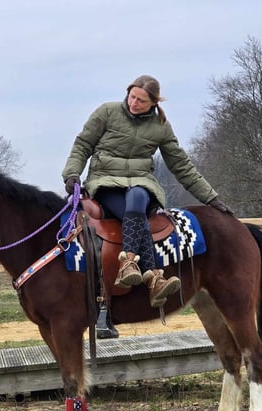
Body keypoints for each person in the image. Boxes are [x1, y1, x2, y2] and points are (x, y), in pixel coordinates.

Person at [62, 74, 233, 308]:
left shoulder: (160, 127)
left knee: (137, 199)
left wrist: (211, 197)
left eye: (141, 100)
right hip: (105, 182)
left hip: (141, 182)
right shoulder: (107, 112)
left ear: (154, 103)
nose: (134, 103)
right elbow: (82, 145)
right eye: (132, 96)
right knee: (133, 212)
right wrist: (72, 174)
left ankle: (129, 263)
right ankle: (153, 276)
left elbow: (181, 165)